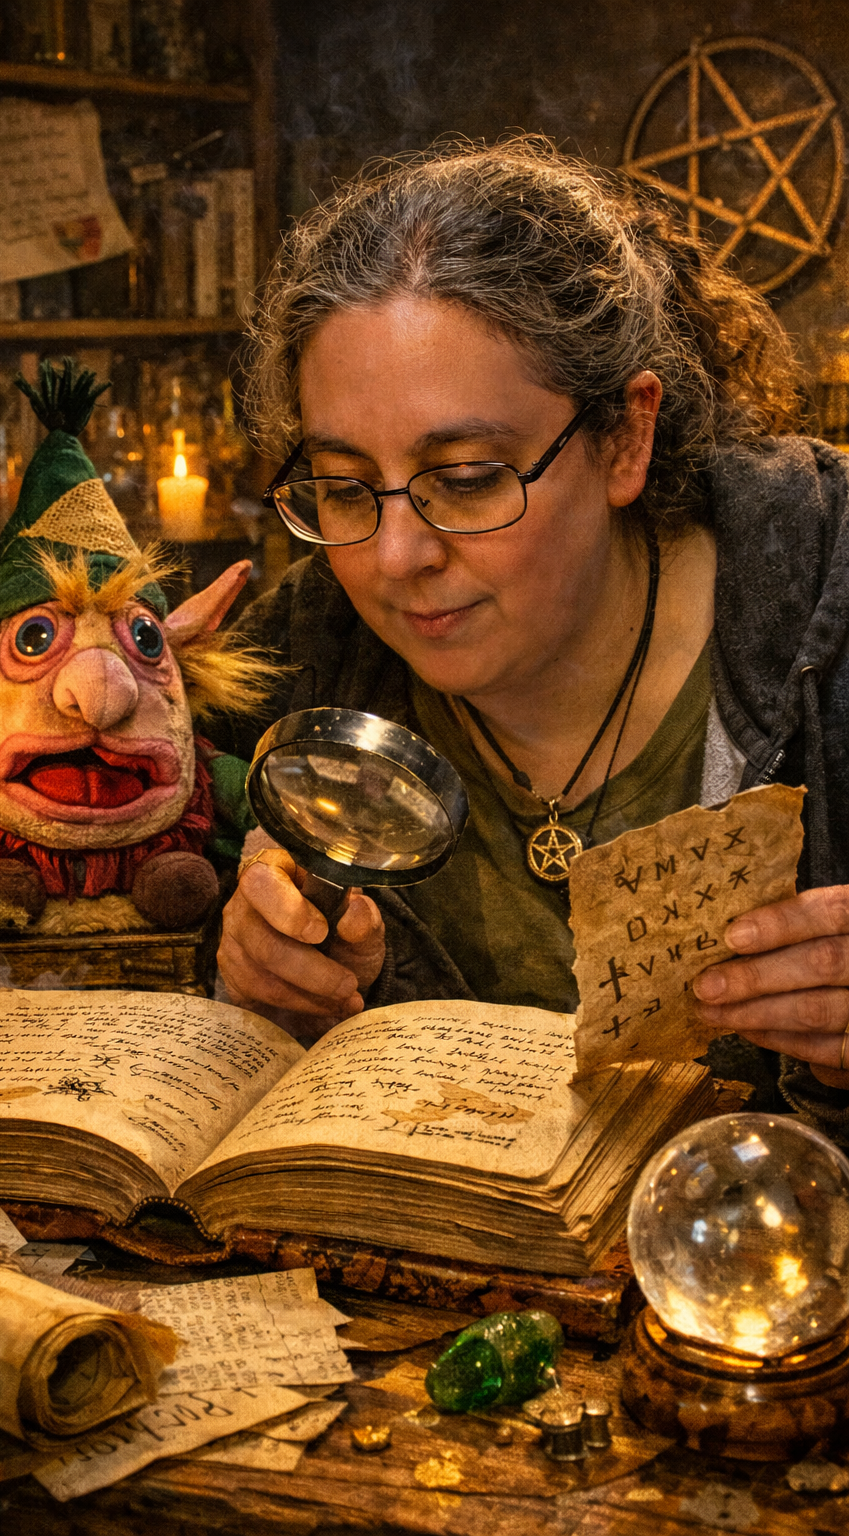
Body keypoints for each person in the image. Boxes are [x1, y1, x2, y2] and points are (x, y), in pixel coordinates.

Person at [209, 136, 849, 1146]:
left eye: (464, 477)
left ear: (624, 439)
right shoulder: (297, 655)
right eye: (341, 487)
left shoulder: (829, 587)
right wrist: (257, 970)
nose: (393, 556)